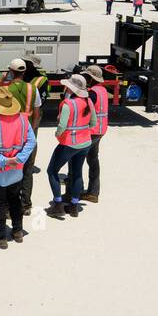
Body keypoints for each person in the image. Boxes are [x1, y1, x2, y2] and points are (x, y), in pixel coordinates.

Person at [0, 85, 36, 249]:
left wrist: (3, 161)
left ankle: (0, 237)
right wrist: (18, 159)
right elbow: (31, 141)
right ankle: (17, 232)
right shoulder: (23, 120)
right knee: (15, 200)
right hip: (16, 171)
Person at [45, 73, 98, 219]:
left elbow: (62, 125)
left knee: (52, 171)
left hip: (69, 144)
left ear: (72, 89)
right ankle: (74, 206)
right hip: (85, 143)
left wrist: (58, 134)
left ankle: (57, 205)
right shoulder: (88, 102)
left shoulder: (68, 104)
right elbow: (93, 123)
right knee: (77, 173)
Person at [5, 56, 45, 216]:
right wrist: (32, 131)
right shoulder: (32, 89)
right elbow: (36, 113)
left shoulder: (7, 90)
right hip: (28, 133)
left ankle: (10, 207)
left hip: (12, 135)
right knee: (27, 170)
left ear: (11, 71)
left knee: (11, 170)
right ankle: (26, 205)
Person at [81, 65, 111, 203]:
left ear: (91, 78)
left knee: (76, 158)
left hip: (91, 131)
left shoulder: (92, 92)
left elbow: (85, 109)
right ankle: (93, 192)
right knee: (93, 159)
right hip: (101, 130)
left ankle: (75, 189)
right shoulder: (103, 90)